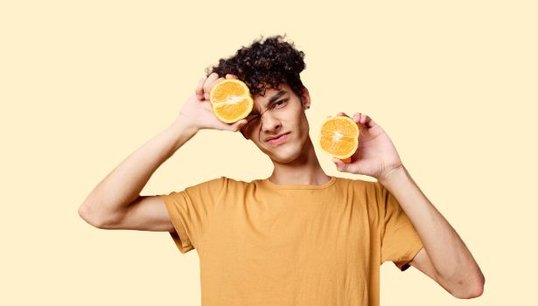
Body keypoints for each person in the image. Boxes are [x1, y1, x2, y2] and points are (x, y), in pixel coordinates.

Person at [79, 35, 484, 305]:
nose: (270, 124)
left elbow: (467, 285)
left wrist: (393, 171)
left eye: (278, 102)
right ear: (239, 128)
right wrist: (185, 124)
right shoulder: (216, 200)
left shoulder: (371, 203)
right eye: (252, 116)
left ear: (304, 98)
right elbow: (99, 211)